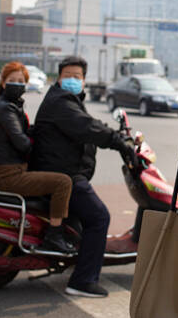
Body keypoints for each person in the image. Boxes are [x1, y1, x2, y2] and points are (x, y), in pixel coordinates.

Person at [30, 56, 137, 298]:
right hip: (63, 175)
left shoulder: (67, 100)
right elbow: (86, 126)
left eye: (77, 77)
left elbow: (89, 123)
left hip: (65, 171)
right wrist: (118, 142)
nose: (72, 80)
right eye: (68, 75)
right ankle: (83, 281)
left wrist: (117, 134)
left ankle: (76, 263)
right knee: (99, 217)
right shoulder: (61, 101)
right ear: (58, 77)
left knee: (87, 218)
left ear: (84, 80)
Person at [0, 61, 75, 253]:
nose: (17, 84)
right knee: (63, 182)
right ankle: (54, 236)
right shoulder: (6, 108)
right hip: (10, 175)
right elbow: (22, 143)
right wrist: (38, 142)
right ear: (3, 83)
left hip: (11, 169)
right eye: (12, 80)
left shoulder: (9, 105)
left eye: (21, 81)